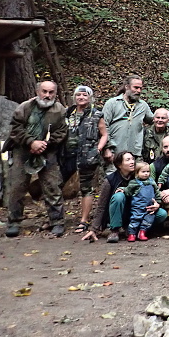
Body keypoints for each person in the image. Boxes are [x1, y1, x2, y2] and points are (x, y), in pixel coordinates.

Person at [4, 80, 68, 237]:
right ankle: (14, 221)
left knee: (52, 185)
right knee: (17, 186)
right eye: (44, 91)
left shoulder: (59, 110)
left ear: (55, 93)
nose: (47, 95)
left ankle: (57, 221)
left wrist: (46, 143)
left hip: (48, 150)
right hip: (22, 149)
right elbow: (15, 128)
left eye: (51, 92)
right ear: (37, 91)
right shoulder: (25, 107)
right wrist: (30, 142)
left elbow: (62, 131)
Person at [60, 85, 109, 235]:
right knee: (56, 185)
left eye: (84, 95)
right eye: (78, 95)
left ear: (90, 97)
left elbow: (104, 134)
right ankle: (56, 220)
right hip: (67, 156)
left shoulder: (96, 114)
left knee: (86, 188)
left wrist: (98, 149)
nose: (81, 98)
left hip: (87, 156)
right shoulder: (68, 113)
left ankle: (84, 220)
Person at [101, 150, 165, 242]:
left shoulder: (141, 175)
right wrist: (94, 229)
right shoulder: (111, 179)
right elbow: (101, 206)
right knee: (119, 196)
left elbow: (155, 192)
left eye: (132, 159)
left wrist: (157, 204)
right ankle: (115, 230)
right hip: (123, 213)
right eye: (128, 160)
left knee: (162, 214)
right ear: (119, 164)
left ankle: (141, 229)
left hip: (142, 208)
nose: (132, 162)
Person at [102, 74, 154, 160]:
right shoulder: (112, 103)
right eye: (136, 87)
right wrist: (107, 148)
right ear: (127, 87)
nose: (139, 91)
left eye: (140, 88)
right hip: (115, 152)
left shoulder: (143, 105)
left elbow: (155, 120)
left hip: (134, 153)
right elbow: (103, 126)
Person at [124, 162, 163, 242]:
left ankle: (142, 232)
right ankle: (132, 234)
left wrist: (158, 202)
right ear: (137, 173)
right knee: (135, 220)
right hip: (138, 207)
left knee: (148, 220)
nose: (146, 174)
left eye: (148, 172)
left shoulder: (152, 182)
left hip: (150, 207)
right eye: (143, 172)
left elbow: (157, 193)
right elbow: (128, 192)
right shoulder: (134, 183)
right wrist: (124, 190)